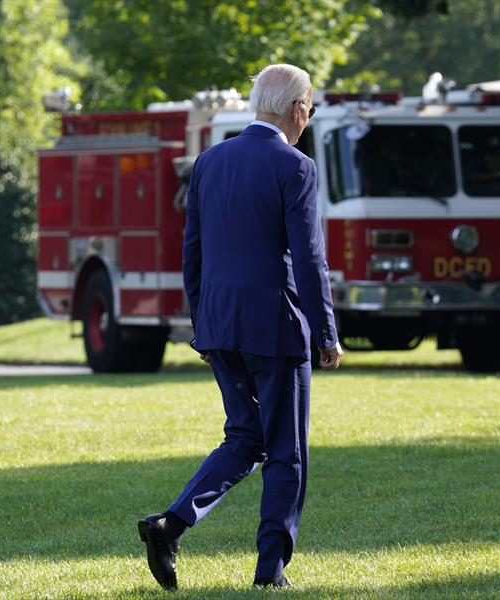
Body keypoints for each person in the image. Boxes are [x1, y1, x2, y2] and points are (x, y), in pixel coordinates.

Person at [137, 63, 343, 590]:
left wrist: (201, 323)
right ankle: (270, 571)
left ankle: (171, 524)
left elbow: (193, 253)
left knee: (245, 436)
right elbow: (308, 257)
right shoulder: (295, 167)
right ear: (298, 109)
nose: (309, 117)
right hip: (275, 327)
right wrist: (326, 332)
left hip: (220, 324)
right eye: (311, 108)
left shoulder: (208, 162)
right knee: (286, 452)